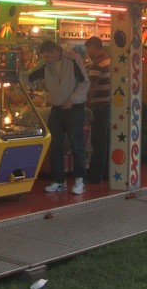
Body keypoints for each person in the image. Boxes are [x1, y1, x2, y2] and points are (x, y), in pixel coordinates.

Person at [28, 39, 90, 195]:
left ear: (56, 51)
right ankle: (58, 180)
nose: (46, 59)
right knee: (55, 145)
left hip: (74, 108)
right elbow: (29, 76)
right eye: (44, 57)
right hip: (56, 109)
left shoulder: (73, 59)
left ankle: (80, 180)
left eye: (48, 56)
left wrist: (72, 99)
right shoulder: (46, 65)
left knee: (76, 145)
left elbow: (84, 83)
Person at [84, 36, 111, 185]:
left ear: (95, 47)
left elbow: (91, 88)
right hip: (108, 106)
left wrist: (86, 104)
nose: (88, 52)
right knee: (105, 141)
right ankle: (106, 171)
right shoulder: (109, 61)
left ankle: (95, 175)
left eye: (89, 49)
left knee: (98, 143)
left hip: (99, 108)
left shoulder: (96, 65)